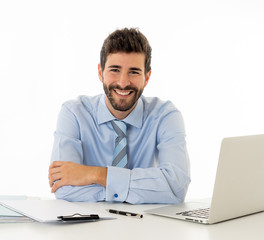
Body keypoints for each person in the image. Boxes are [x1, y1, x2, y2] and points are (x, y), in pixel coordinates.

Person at [48, 28, 190, 204]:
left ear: (147, 77)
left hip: (148, 227)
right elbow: (63, 187)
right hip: (87, 228)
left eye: (134, 72)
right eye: (115, 70)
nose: (123, 83)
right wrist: (146, 189)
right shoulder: (74, 113)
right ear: (100, 72)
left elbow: (176, 187)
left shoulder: (166, 116)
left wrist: (96, 174)